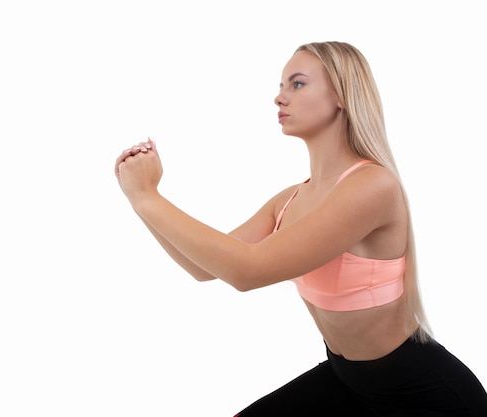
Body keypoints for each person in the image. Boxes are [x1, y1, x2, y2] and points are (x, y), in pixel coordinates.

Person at [114, 41, 487, 416]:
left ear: (341, 94)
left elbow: (248, 271)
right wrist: (141, 198)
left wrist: (148, 197)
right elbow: (202, 268)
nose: (279, 98)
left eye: (297, 84)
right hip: (348, 381)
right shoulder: (290, 200)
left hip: (425, 394)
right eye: (280, 86)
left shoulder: (373, 186)